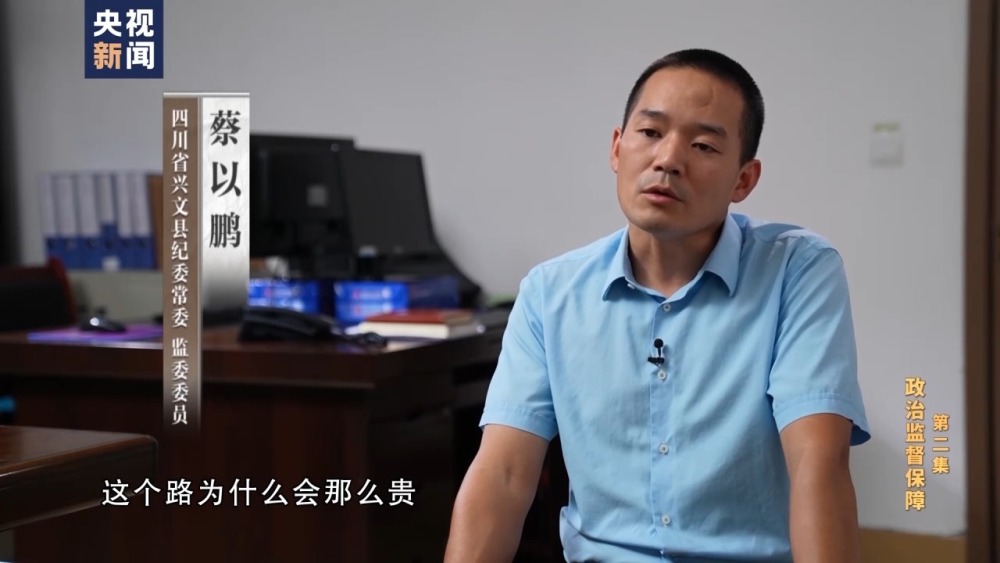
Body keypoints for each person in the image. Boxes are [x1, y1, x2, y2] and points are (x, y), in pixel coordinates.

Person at [444, 48, 870, 563]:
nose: (668, 159)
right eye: (650, 132)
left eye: (703, 145)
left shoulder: (796, 270)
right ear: (616, 148)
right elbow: (503, 476)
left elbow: (818, 465)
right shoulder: (550, 292)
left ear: (743, 179)